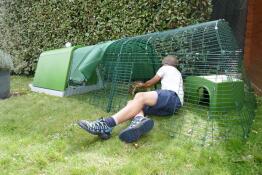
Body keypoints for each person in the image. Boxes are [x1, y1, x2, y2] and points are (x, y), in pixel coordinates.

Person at [78, 55, 184, 143]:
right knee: (133, 102)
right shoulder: (177, 73)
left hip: (172, 97)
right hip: (172, 108)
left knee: (140, 96)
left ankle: (107, 124)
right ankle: (138, 121)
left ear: (165, 63)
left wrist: (140, 85)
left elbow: (149, 83)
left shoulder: (166, 68)